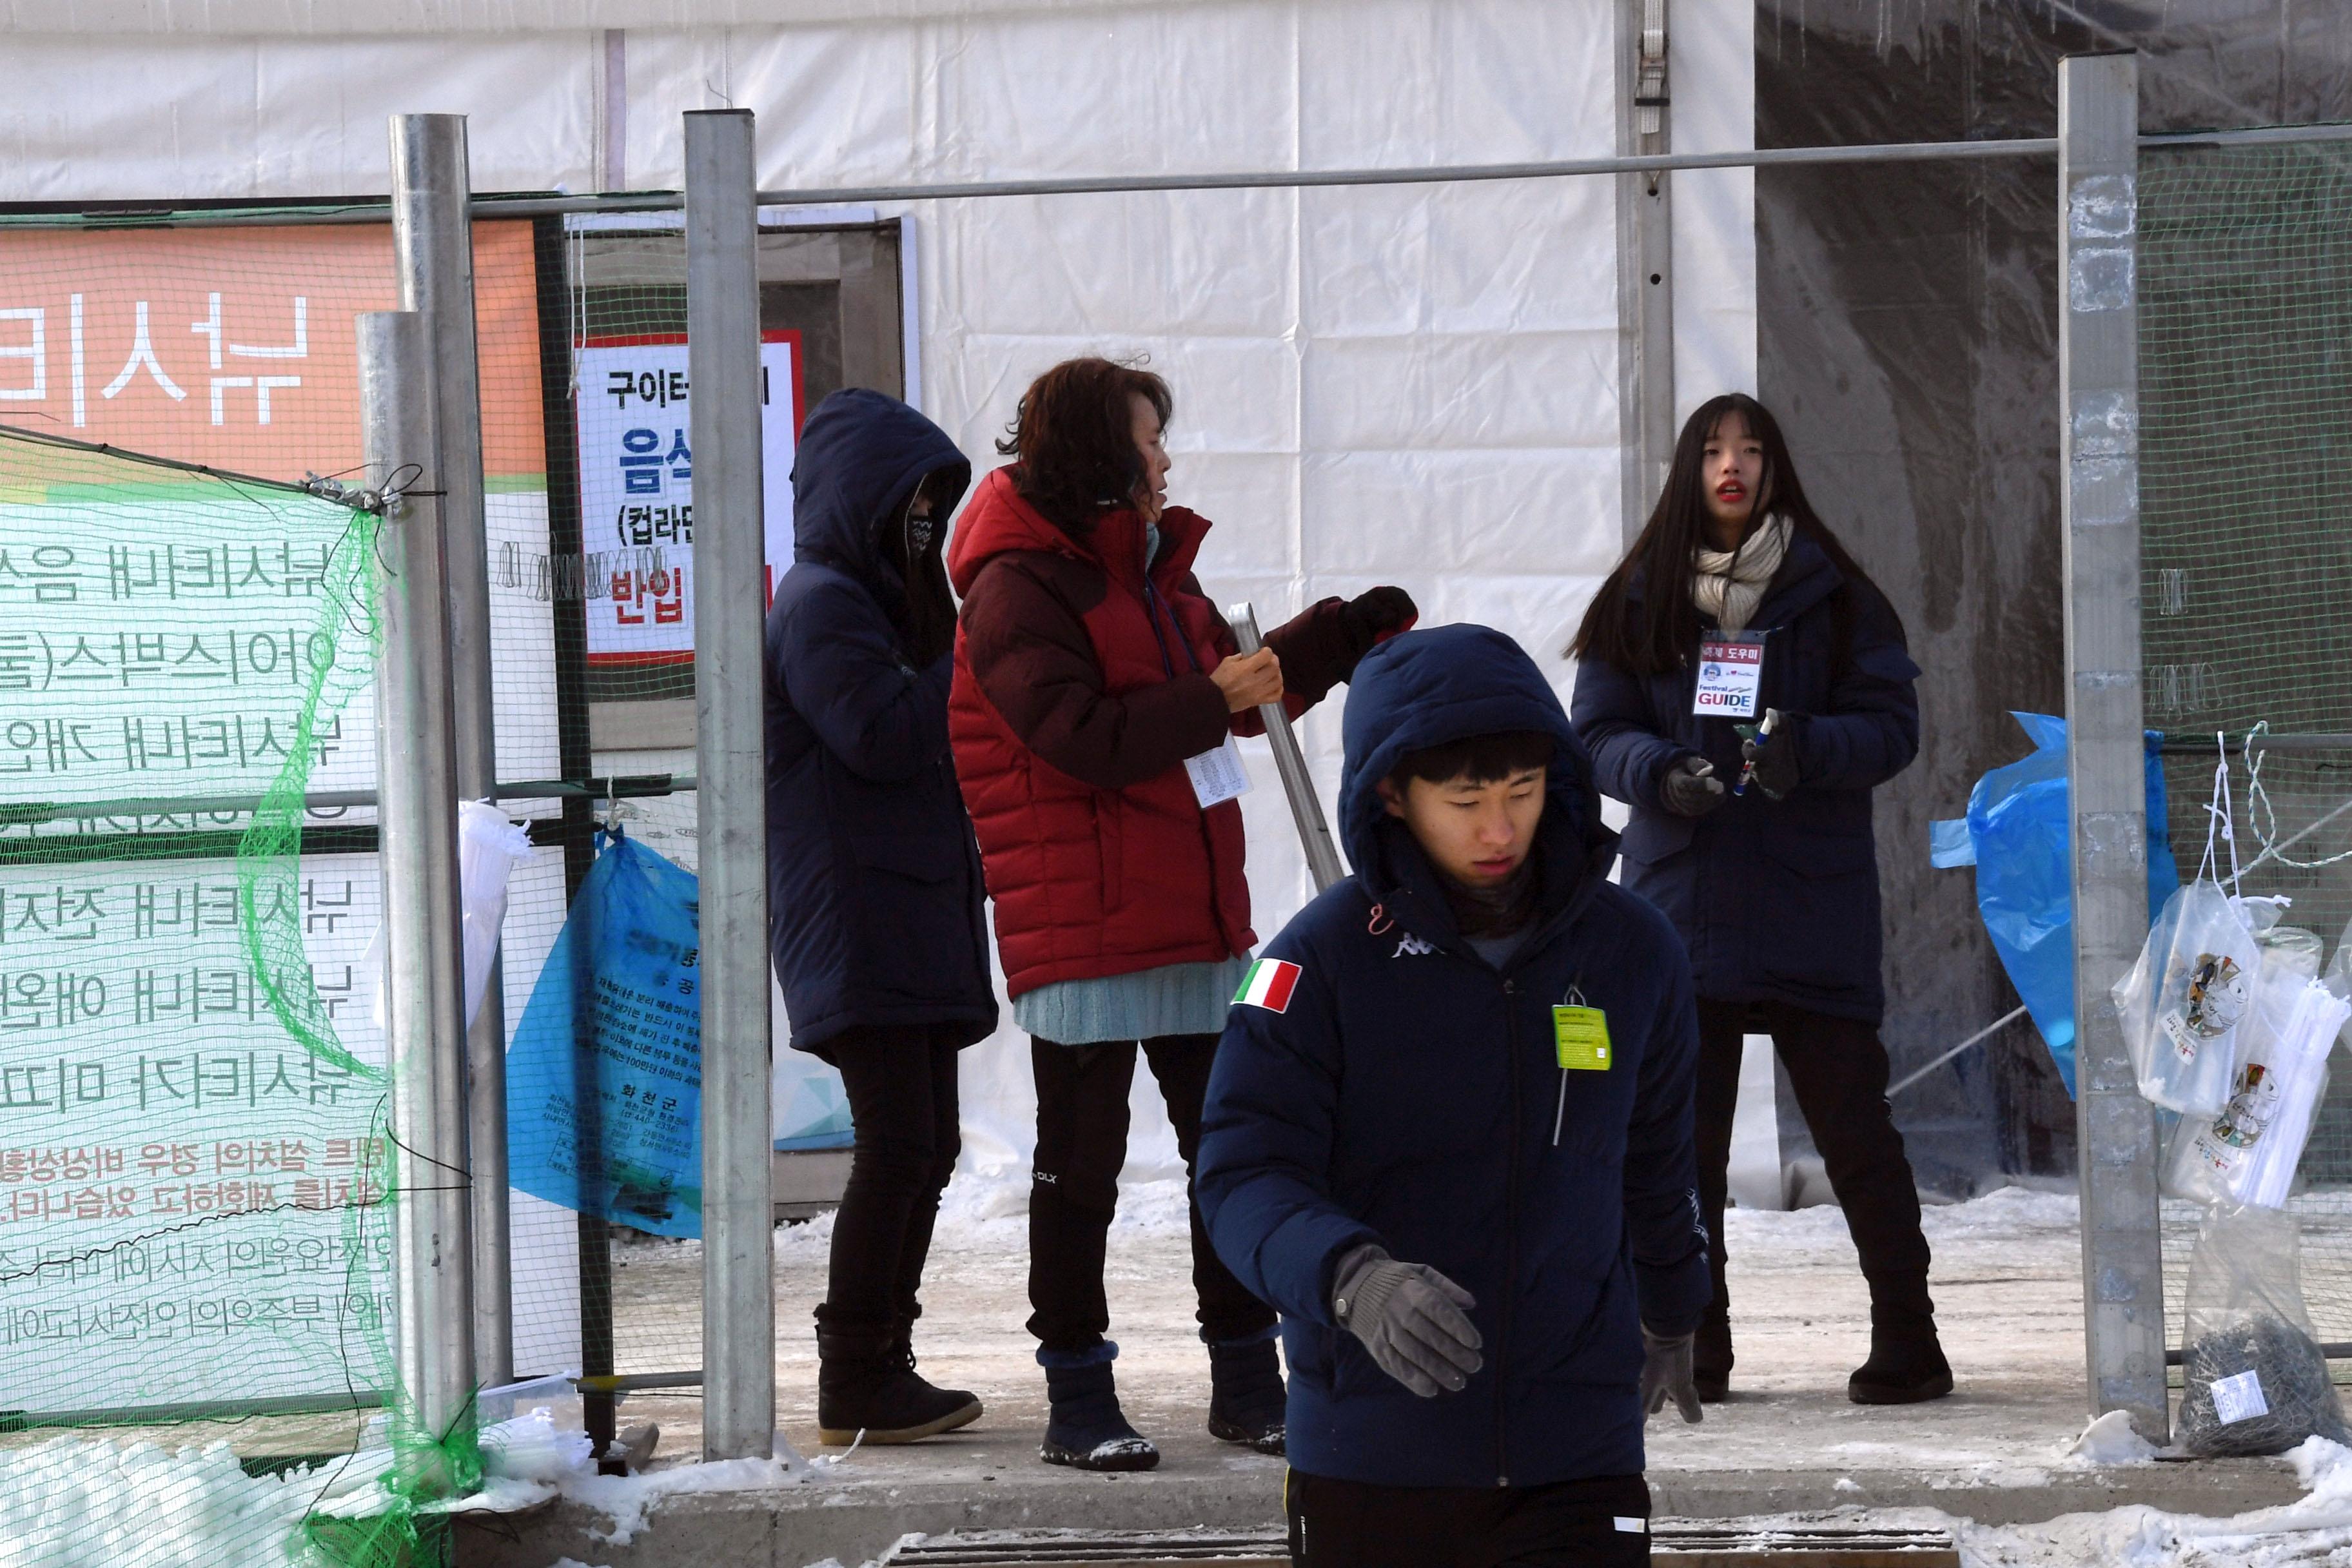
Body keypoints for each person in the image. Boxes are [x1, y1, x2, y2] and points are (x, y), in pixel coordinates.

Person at [947, 356, 1417, 1471]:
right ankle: (1077, 1397)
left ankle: (1249, 1381)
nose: (1164, 459)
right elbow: (1087, 739)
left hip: (1196, 916)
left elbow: (1233, 689)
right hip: (1083, 927)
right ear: (1095, 453)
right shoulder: (1016, 585)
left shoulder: (1152, 569)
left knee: (1234, 1154)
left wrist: (1335, 639)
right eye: (1148, 440)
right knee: (1081, 1168)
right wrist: (1220, 697)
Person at [1196, 623, 1710, 1568]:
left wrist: (1677, 1307)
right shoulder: (1318, 963)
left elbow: (1655, 1157)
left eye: (1522, 791)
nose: (1498, 828)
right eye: (1464, 798)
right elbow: (1242, 1175)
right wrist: (1353, 1279)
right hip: (1375, 1453)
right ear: (1394, 794)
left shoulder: (1633, 950)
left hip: (1576, 1451)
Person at [1567, 391, 1949, 1406]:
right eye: (1712, 452)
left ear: (1776, 469)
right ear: (1689, 470)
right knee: (1678, 1151)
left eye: (1751, 451)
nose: (1730, 467)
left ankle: (1911, 1343)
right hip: (1678, 913)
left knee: (1857, 1139)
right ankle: (1696, 1347)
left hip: (1808, 907)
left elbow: (1892, 726)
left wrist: (1807, 750)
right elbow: (1594, 734)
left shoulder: (1836, 596)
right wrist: (1657, 770)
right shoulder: (1639, 597)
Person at [765, 388, 997, 1445]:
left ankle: (879, 1361)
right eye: (913, 504)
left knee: (927, 1145)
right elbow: (885, 736)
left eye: (935, 506)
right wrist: (968, 650)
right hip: (858, 919)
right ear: (865, 502)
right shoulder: (819, 602)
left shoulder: (879, 605)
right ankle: (853, 1369)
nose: (928, 525)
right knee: (898, 1148)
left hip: (902, 917)